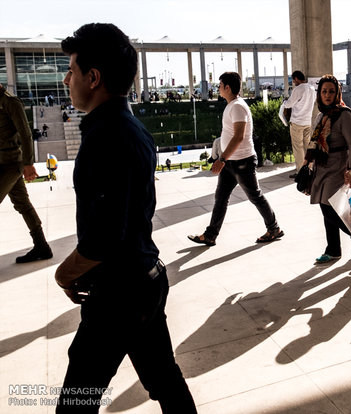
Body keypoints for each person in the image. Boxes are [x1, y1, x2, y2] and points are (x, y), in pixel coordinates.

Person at [55, 23, 196, 413]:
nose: (67, 79)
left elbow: (102, 238)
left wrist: (64, 273)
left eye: (71, 70)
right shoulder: (133, 127)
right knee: (165, 380)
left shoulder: (105, 136)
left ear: (93, 77)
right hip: (146, 279)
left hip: (119, 293)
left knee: (76, 400)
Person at [188, 72, 283, 246]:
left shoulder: (238, 106)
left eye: (220, 85)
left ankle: (274, 228)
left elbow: (239, 136)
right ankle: (210, 235)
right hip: (231, 162)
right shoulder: (232, 105)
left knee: (255, 196)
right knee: (221, 198)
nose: (218, 89)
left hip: (242, 162)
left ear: (228, 88)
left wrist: (221, 159)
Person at [304, 74, 351, 264]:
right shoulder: (322, 115)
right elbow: (315, 143)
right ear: (319, 94)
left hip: (338, 166)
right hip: (321, 166)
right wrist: (308, 164)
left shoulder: (344, 115)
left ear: (337, 93)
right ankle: (333, 250)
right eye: (324, 91)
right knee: (324, 206)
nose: (327, 95)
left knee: (330, 208)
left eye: (331, 91)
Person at [0, 83, 53, 263]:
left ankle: (41, 246)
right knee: (23, 204)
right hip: (2, 163)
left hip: (10, 164)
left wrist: (28, 163)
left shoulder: (10, 102)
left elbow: (25, 133)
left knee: (23, 204)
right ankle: (42, 246)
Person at [282, 70, 315, 178]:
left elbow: (289, 104)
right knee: (307, 146)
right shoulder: (311, 88)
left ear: (296, 78)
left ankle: (300, 172)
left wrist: (284, 102)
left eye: (293, 79)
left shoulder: (299, 89)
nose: (293, 82)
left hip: (297, 122)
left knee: (298, 147)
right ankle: (309, 168)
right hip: (307, 121)